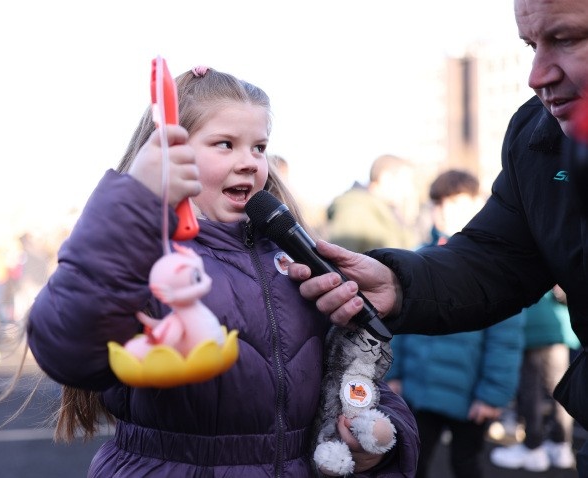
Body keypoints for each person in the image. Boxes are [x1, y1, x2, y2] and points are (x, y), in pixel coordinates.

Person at [24, 66, 419, 477]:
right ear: (168, 153)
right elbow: (67, 345)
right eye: (225, 144)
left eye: (259, 147)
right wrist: (133, 204)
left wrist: (379, 440)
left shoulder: (291, 260)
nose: (249, 162)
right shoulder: (152, 258)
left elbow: (345, 373)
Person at [287, 1, 588, 476]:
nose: (536, 74)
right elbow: (497, 256)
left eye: (567, 39)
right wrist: (400, 281)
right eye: (531, 45)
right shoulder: (536, 138)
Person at [385, 169, 526, 478]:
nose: (446, 211)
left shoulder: (493, 267)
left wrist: (492, 394)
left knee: (466, 464)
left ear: (479, 205)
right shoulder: (418, 259)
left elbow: (505, 339)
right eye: (440, 203)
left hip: (469, 395)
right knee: (412, 462)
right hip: (420, 390)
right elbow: (399, 328)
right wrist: (393, 373)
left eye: (457, 203)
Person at [490, 285, 579, 471]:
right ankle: (561, 444)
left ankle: (533, 446)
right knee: (559, 391)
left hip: (531, 328)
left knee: (531, 391)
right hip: (557, 330)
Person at [326, 154, 420, 253]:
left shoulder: (390, 212)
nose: (409, 189)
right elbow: (339, 260)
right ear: (386, 178)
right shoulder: (355, 210)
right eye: (405, 181)